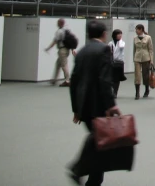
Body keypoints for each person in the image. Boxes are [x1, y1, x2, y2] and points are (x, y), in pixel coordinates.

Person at [68, 20, 124, 185]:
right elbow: (105, 80)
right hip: (99, 105)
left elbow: (75, 81)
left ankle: (88, 177)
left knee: (99, 143)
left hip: (84, 105)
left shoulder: (83, 51)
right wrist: (111, 105)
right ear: (104, 34)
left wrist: (76, 109)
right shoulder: (104, 49)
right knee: (100, 143)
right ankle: (78, 170)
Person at [45, 18, 76, 87]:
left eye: (58, 22)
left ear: (59, 23)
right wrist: (72, 50)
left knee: (64, 65)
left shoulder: (59, 32)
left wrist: (48, 48)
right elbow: (70, 41)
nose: (56, 24)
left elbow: (55, 41)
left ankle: (67, 80)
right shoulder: (66, 31)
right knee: (58, 64)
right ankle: (54, 80)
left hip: (62, 50)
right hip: (66, 50)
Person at [133, 24, 153, 100]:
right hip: (137, 58)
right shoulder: (135, 38)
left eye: (137, 29)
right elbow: (134, 49)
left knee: (146, 75)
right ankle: (137, 93)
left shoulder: (148, 37)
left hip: (146, 58)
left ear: (141, 29)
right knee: (137, 75)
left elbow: (151, 49)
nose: (136, 31)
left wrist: (151, 60)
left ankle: (146, 90)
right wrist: (133, 58)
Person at [108, 29, 126, 97]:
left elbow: (121, 46)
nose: (120, 35)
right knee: (111, 77)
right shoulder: (110, 43)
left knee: (117, 78)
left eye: (121, 34)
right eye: (118, 34)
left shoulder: (122, 42)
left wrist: (120, 39)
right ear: (115, 35)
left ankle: (115, 92)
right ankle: (113, 89)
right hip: (112, 62)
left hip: (119, 62)